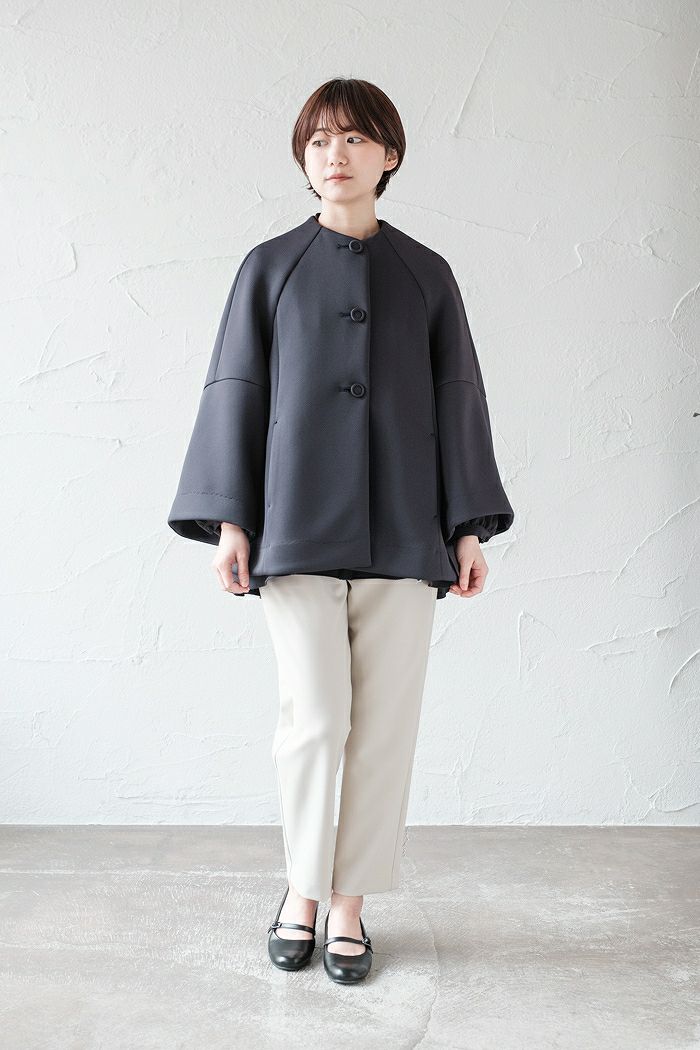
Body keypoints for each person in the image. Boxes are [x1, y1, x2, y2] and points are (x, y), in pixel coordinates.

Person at [168, 78, 514, 984]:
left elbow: (459, 396)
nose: (337, 154)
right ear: (303, 155)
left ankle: (350, 905)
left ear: (389, 155)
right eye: (320, 140)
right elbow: (236, 390)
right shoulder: (269, 267)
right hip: (294, 528)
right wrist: (233, 522)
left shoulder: (426, 273)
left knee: (383, 730)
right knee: (315, 721)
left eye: (356, 139)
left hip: (405, 529)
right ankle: (302, 891)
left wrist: (467, 529)